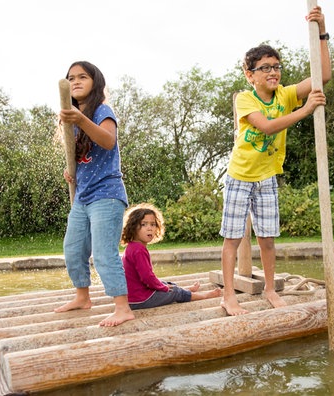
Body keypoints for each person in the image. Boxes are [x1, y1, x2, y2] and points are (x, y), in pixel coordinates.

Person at [219, 6, 332, 315]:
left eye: (277, 66)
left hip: (267, 176)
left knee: (267, 239)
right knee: (232, 238)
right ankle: (228, 295)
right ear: (250, 74)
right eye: (265, 67)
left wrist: (321, 30)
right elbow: (267, 126)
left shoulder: (284, 95)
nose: (273, 72)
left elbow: (322, 75)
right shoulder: (245, 99)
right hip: (240, 175)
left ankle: (270, 288)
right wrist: (305, 110)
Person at [54, 61, 134, 327]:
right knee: (73, 249)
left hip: (107, 193)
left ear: (95, 81)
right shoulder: (72, 120)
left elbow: (107, 141)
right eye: (71, 78)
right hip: (83, 196)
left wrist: (81, 119)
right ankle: (82, 296)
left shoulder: (102, 111)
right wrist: (71, 172)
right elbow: (81, 157)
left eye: (82, 77)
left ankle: (122, 307)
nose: (75, 81)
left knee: (103, 252)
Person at [122, 203, 222, 309]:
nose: (149, 228)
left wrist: (162, 285)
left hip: (134, 297)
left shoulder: (132, 246)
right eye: (144, 224)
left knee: (164, 283)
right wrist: (163, 288)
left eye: (153, 224)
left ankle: (186, 290)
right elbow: (147, 277)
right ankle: (203, 295)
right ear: (133, 227)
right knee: (174, 292)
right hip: (140, 299)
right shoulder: (139, 250)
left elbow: (147, 278)